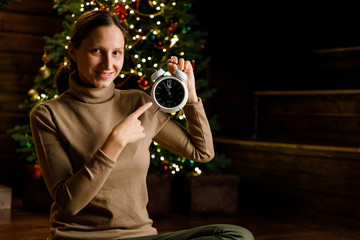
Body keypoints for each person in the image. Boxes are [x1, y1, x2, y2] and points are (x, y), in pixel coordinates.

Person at [30, 10, 254, 240]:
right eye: (97, 51)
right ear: (74, 52)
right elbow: (69, 204)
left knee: (236, 235)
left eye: (116, 53)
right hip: (81, 238)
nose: (108, 63)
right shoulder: (48, 114)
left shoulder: (138, 102)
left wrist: (191, 99)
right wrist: (114, 143)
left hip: (139, 236)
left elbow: (202, 151)